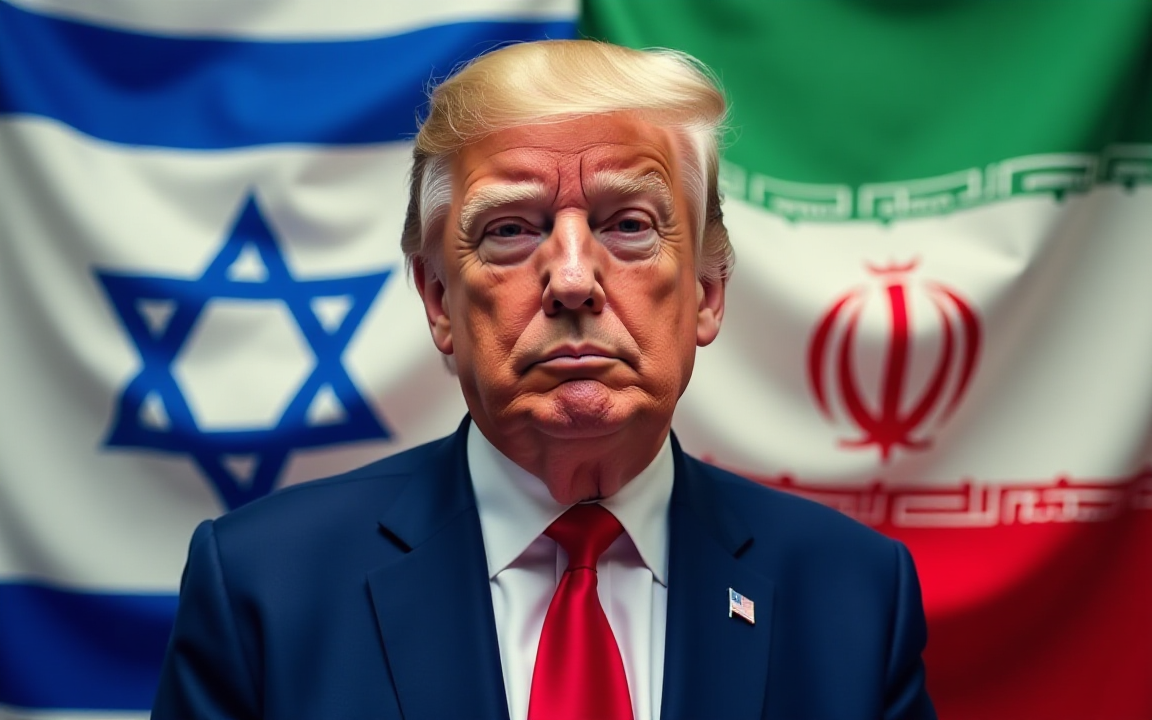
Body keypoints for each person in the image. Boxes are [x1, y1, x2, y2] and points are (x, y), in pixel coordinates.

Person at [152, 39, 936, 720]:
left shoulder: (853, 598)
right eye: (511, 230)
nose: (569, 279)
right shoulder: (264, 589)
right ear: (438, 301)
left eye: (628, 223)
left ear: (705, 292)